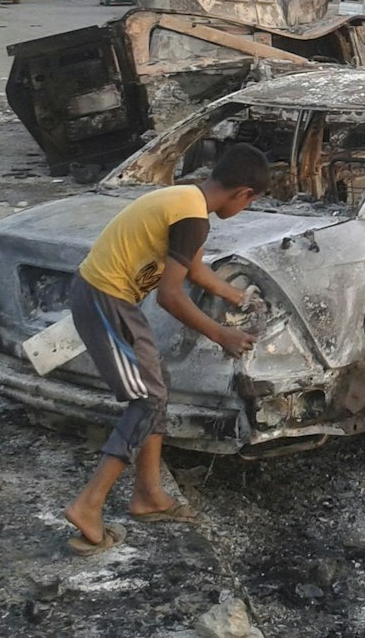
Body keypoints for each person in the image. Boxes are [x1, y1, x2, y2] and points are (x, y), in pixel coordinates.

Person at [62, 144, 270, 555]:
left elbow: (195, 270)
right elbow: (170, 297)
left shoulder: (188, 200)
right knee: (146, 399)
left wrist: (237, 296)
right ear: (244, 193)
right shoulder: (193, 218)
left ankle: (149, 495)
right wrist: (220, 334)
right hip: (105, 299)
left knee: (158, 384)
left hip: (113, 299)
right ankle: (88, 505)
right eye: (252, 203)